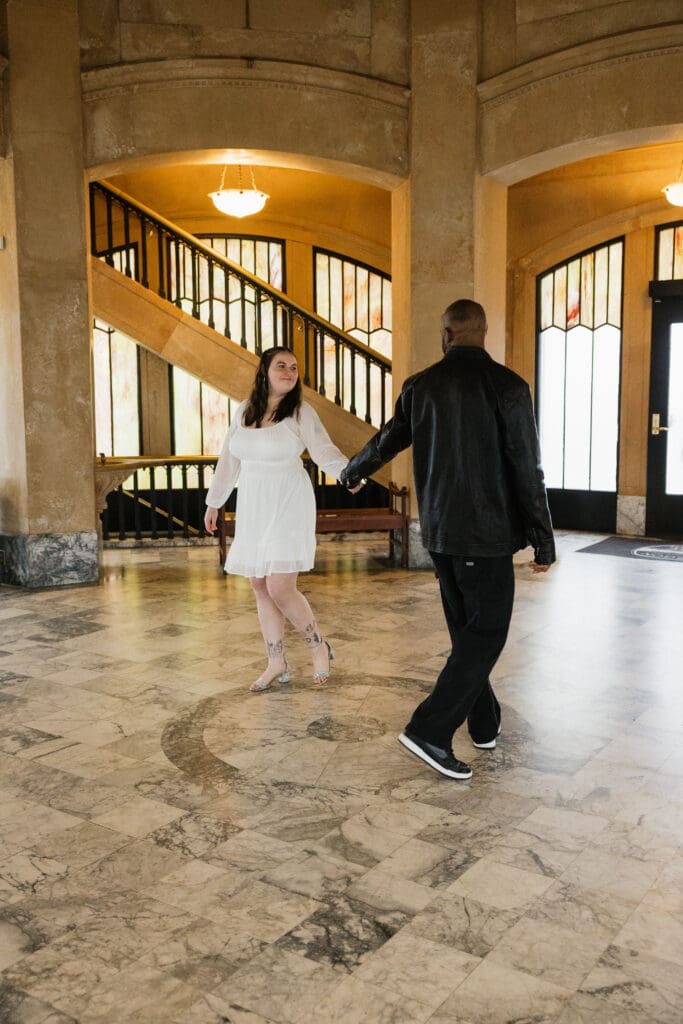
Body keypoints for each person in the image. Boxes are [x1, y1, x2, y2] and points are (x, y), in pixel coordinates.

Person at [340, 299, 555, 780]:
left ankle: (483, 721)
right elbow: (527, 467)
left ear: (447, 334)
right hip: (487, 536)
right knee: (486, 634)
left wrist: (355, 471)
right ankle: (429, 730)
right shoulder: (510, 386)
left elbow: (389, 438)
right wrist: (543, 539)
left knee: (466, 630)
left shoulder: (421, 386)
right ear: (484, 331)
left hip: (438, 533)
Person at [205, 346, 362, 692]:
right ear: (264, 371)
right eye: (282, 366)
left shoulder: (301, 413)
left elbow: (324, 451)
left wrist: (349, 475)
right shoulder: (245, 411)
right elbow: (229, 460)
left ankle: (317, 646)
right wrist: (214, 502)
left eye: (294, 367)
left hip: (289, 500)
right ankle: (276, 661)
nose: (290, 372)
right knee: (259, 584)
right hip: (254, 502)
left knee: (280, 585)